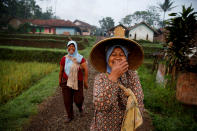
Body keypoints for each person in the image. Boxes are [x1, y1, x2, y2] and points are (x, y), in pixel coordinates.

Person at [89, 37, 144, 131]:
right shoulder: (100, 78)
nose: (117, 57)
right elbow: (101, 105)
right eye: (113, 54)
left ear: (126, 58)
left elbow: (138, 101)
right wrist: (114, 76)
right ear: (107, 58)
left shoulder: (132, 76)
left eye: (121, 55)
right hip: (104, 127)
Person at [59, 40, 88, 123]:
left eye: (73, 46)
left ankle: (80, 108)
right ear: (67, 48)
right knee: (67, 100)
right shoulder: (64, 58)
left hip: (77, 81)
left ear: (76, 48)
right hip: (66, 81)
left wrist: (85, 81)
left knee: (78, 99)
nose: (71, 48)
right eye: (69, 46)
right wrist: (60, 80)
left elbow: (85, 69)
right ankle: (70, 116)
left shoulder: (80, 58)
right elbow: (61, 71)